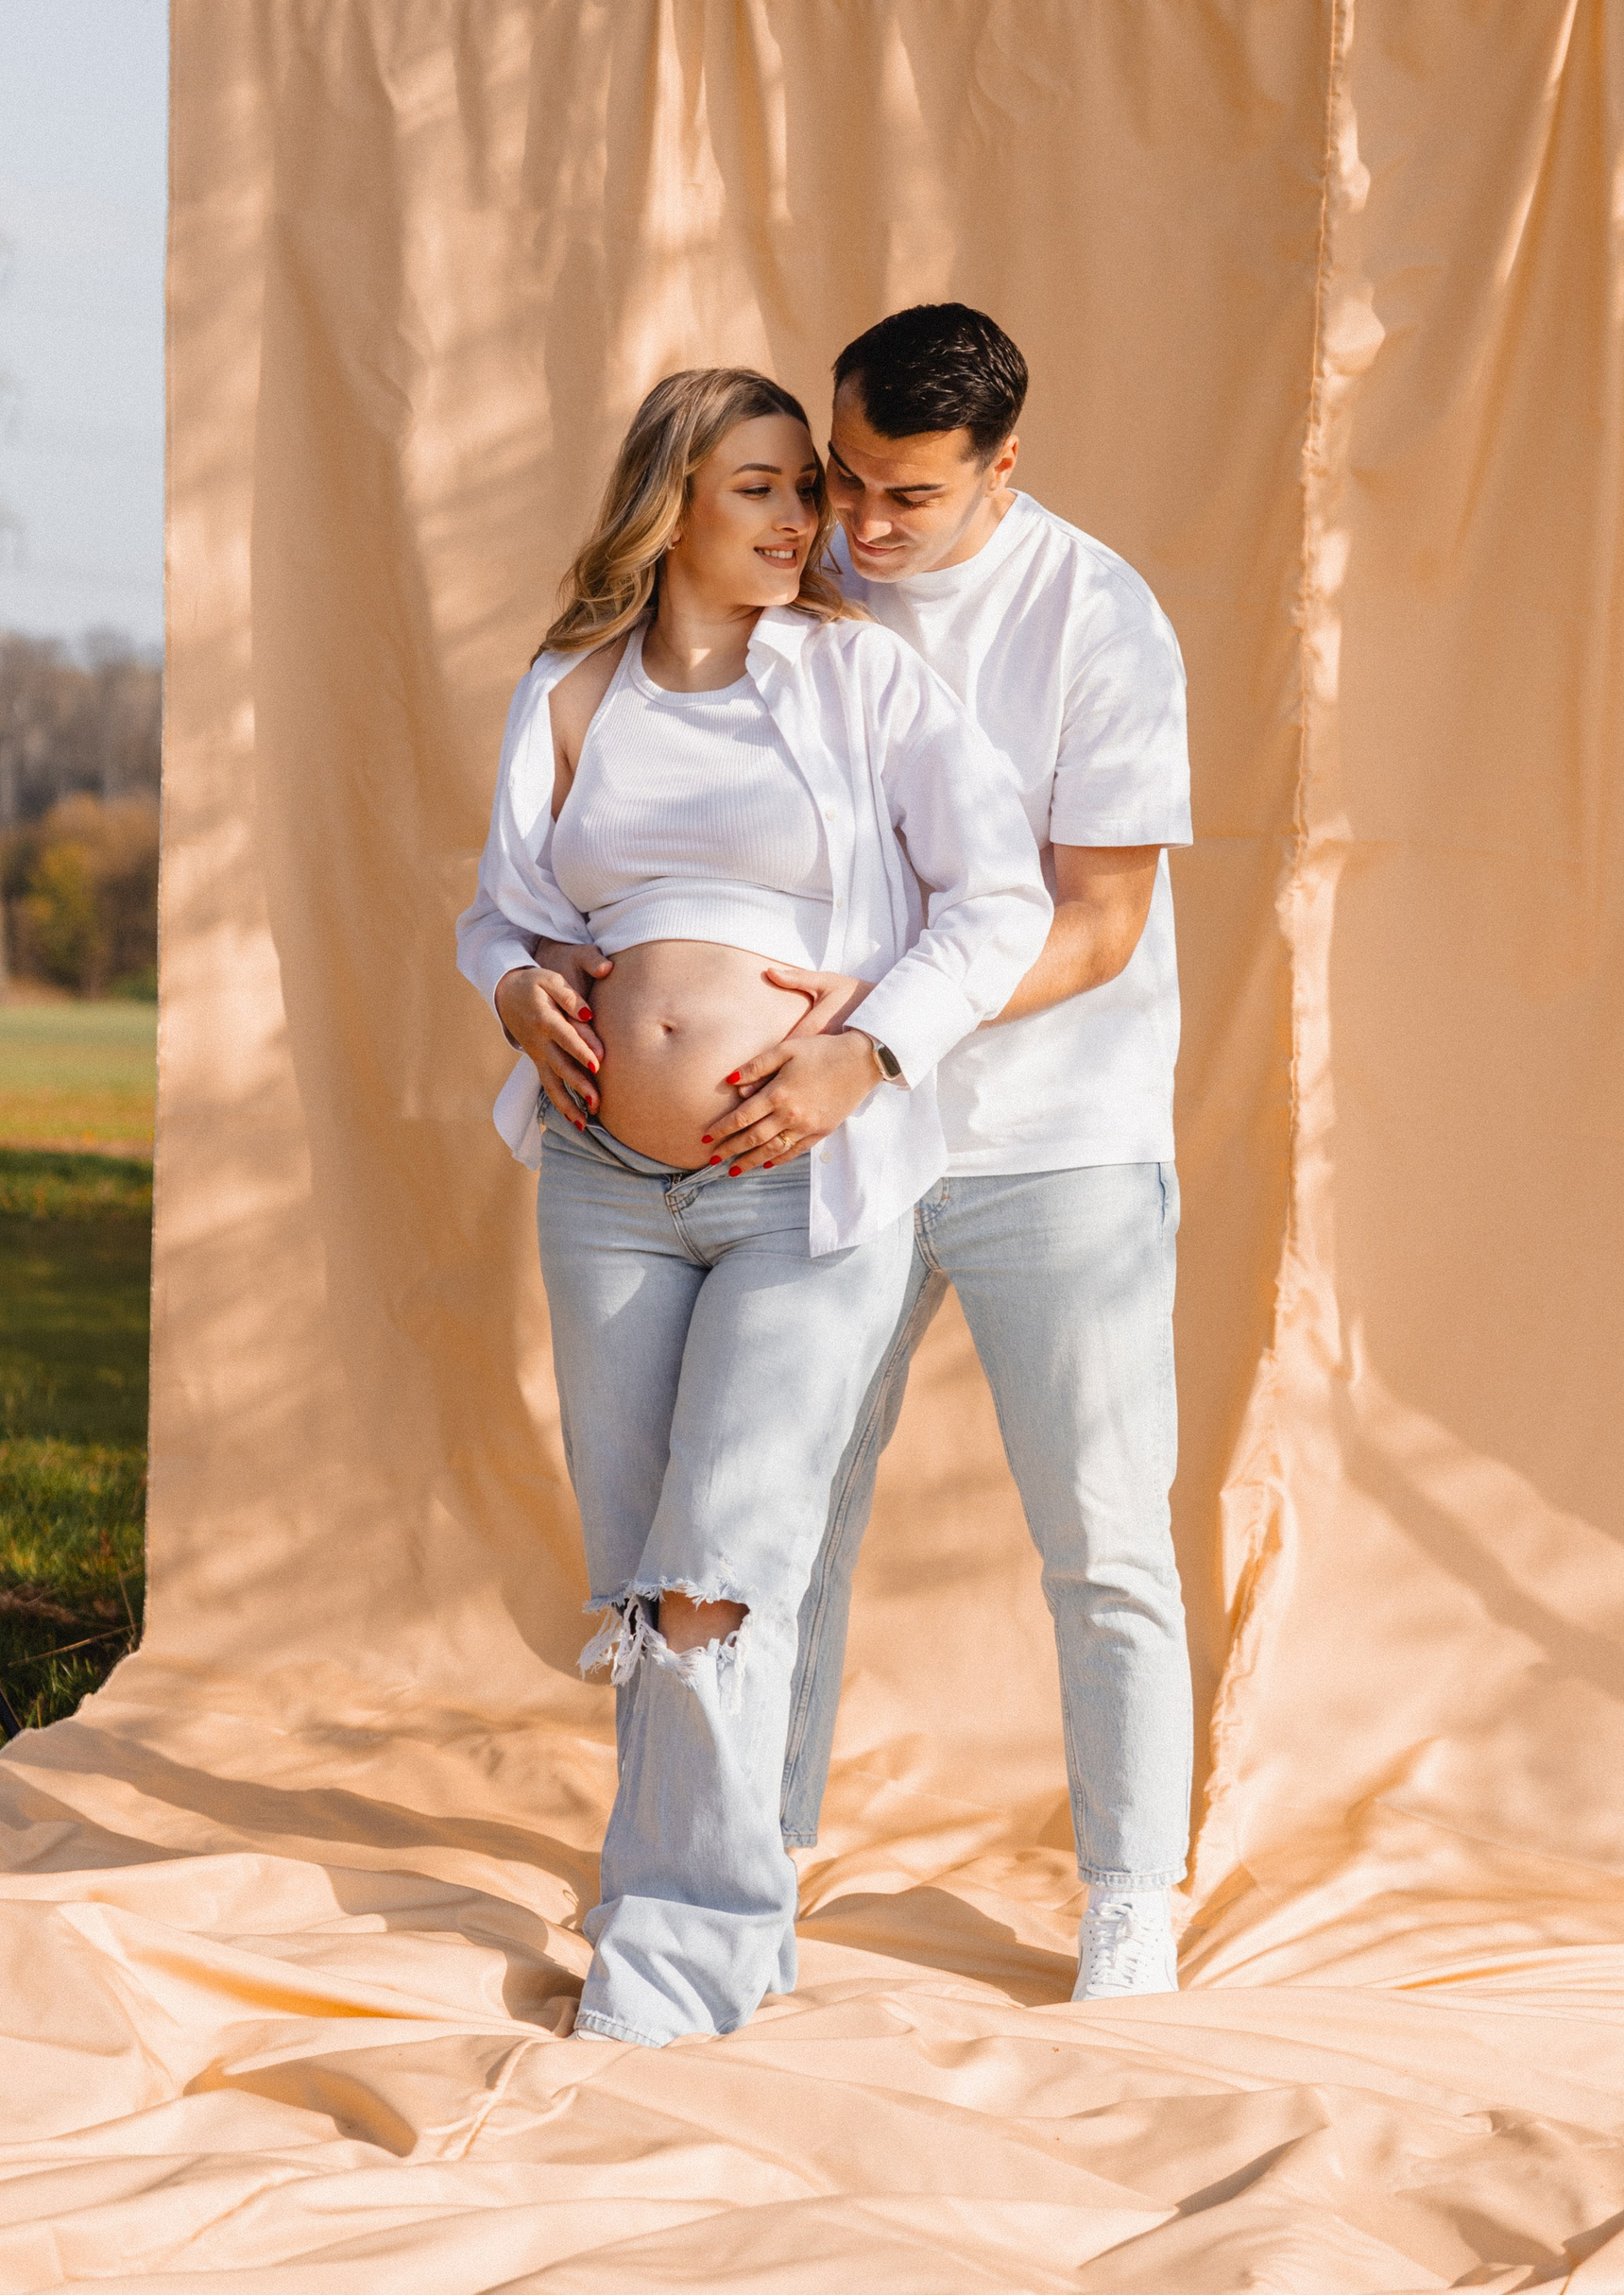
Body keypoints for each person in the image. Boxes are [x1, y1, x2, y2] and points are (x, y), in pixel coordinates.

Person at [456, 366, 1051, 2047]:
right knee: (648, 1582)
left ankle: (674, 1963)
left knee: (720, 1566)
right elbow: (501, 912)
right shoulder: (573, 689)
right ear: (675, 504)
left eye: (811, 487)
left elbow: (998, 898)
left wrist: (869, 1050)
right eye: (767, 487)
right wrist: (513, 988)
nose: (810, 520)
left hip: (798, 1190)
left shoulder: (862, 678)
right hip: (605, 1184)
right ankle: (698, 1922)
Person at [764, 302, 1196, 2002]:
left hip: (1057, 1143)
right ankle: (742, 1867)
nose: (861, 527)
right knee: (782, 1515)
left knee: (1104, 1534)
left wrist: (882, 1030)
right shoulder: (802, 577)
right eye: (843, 478)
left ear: (1003, 469)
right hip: (835, 1130)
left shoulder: (1102, 617)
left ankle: (1131, 1900)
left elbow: (1099, 925)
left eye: (908, 498)